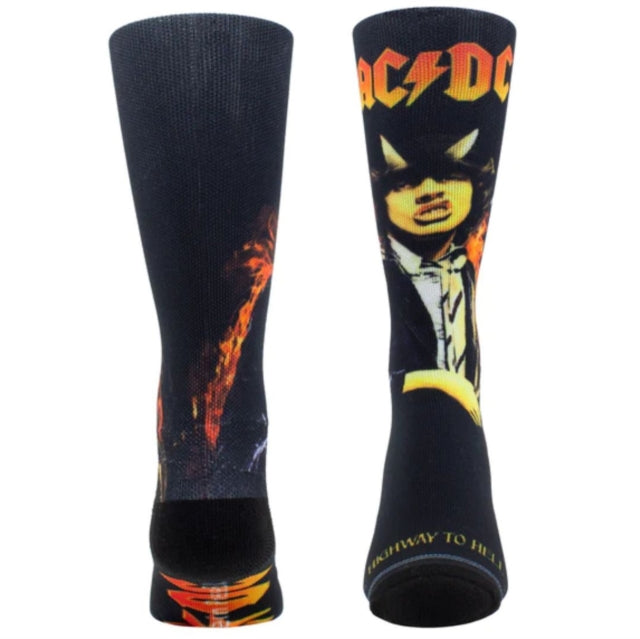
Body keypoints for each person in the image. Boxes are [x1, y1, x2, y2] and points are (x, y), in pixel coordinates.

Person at [371, 129, 495, 424]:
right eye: (405, 182)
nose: (429, 191)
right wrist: (446, 384)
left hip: (459, 431)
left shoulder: (463, 270)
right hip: (416, 428)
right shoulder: (391, 273)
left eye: (447, 176)